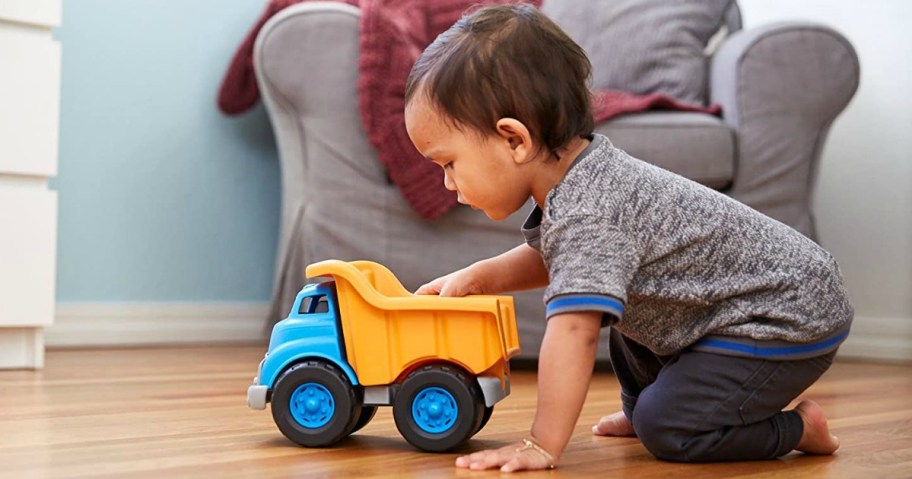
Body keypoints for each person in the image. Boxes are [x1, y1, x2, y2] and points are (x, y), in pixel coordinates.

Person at [403, 4, 854, 474]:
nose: (448, 184)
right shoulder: (581, 182)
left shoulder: (591, 209)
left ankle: (798, 428)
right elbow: (558, 258)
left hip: (786, 311)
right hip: (724, 309)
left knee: (670, 429)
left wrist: (541, 443)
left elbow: (573, 331)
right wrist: (478, 278)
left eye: (448, 164)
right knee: (623, 309)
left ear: (515, 140)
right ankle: (649, 408)